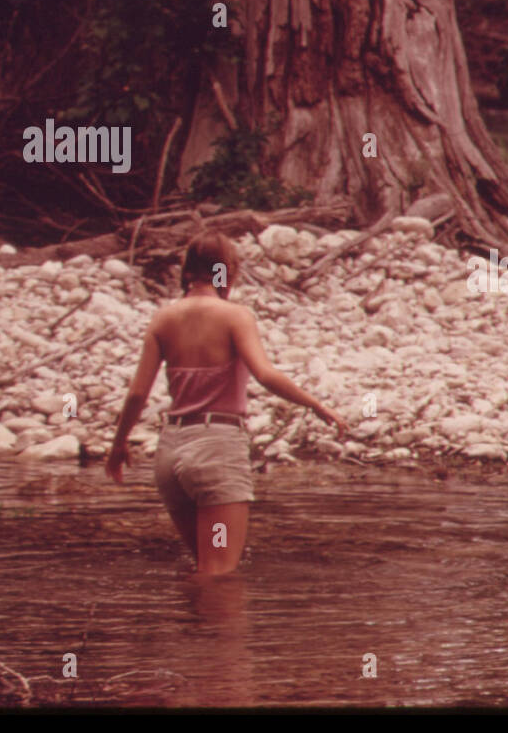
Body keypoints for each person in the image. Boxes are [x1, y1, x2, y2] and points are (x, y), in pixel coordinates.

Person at [106, 230, 348, 574]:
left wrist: (118, 446)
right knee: (218, 572)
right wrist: (315, 404)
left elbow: (136, 394)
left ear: (187, 271)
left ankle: (192, 629)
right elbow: (265, 374)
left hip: (170, 459)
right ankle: (221, 630)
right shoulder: (234, 316)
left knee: (203, 566)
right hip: (214, 459)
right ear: (226, 272)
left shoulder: (163, 319)